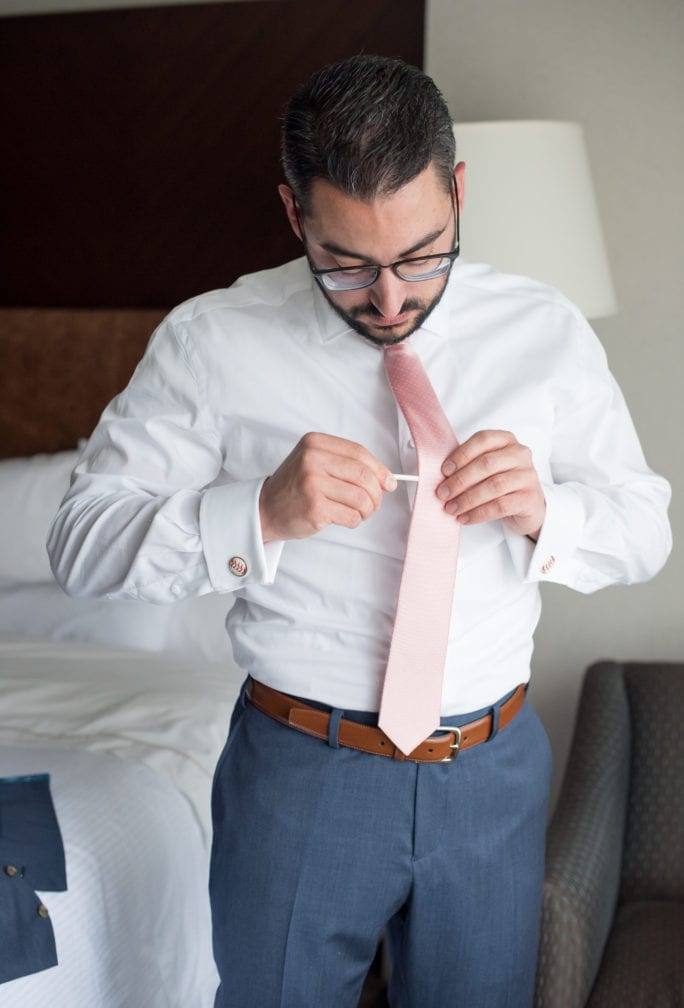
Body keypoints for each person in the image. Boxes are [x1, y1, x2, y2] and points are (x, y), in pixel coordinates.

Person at [48, 55, 671, 1007]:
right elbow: (82, 544)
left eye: (422, 256)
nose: (390, 301)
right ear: (295, 214)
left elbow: (643, 533)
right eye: (347, 265)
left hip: (491, 775)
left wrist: (550, 511)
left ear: (458, 192)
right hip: (301, 774)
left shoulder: (544, 332)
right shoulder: (211, 341)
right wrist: (257, 512)